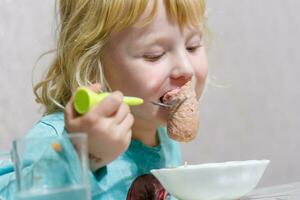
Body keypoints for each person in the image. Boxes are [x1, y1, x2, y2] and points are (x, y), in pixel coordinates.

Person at [0, 0, 208, 199]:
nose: (186, 69)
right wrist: (80, 154)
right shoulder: (61, 139)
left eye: (193, 46)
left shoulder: (164, 138)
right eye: (154, 54)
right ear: (92, 64)